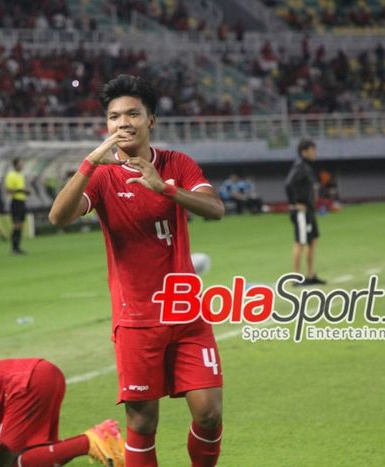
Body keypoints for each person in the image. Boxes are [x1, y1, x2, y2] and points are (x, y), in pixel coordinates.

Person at [49, 75, 225, 467]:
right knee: (142, 423)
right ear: (106, 125)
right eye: (114, 116)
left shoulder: (176, 164)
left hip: (186, 313)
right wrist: (89, 162)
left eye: (132, 113)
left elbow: (215, 210)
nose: (122, 122)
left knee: (209, 412)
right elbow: (58, 217)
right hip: (136, 320)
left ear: (151, 120)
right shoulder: (103, 177)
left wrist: (163, 188)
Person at [285, 139, 326, 285]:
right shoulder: (300, 166)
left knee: (313, 239)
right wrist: (295, 203)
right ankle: (296, 278)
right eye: (312, 150)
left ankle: (310, 275)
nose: (315, 152)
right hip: (301, 212)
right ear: (304, 151)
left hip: (309, 210)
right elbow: (288, 184)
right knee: (300, 242)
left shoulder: (307, 167)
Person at [4, 158, 29, 255]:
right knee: (17, 225)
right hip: (15, 202)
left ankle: (17, 247)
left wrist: (25, 191)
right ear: (16, 165)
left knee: (21, 225)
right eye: (20, 163)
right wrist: (22, 191)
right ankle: (14, 248)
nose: (22, 165)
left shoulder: (21, 175)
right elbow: (9, 190)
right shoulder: (11, 175)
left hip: (22, 201)